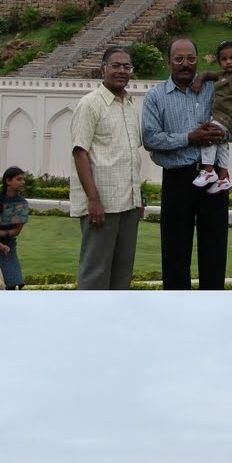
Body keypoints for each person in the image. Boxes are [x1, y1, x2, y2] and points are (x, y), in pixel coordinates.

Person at [140, 37, 231, 288]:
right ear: (169, 62)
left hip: (212, 181)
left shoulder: (213, 89)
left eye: (190, 58)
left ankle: (212, 314)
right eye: (179, 59)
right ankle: (177, 315)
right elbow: (150, 138)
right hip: (177, 179)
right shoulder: (156, 97)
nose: (185, 64)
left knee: (214, 252)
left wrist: (222, 132)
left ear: (197, 60)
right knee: (175, 253)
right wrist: (190, 138)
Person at [71, 45, 145, 289]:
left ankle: (114, 322)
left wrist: (139, 197)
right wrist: (93, 200)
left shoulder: (130, 105)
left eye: (127, 66)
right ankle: (91, 324)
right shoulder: (90, 104)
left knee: (122, 273)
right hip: (102, 205)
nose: (121, 70)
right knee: (96, 272)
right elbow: (80, 152)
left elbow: (131, 155)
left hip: (128, 204)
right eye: (116, 65)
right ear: (103, 69)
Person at [192, 39, 232, 195]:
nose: (228, 62)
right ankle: (223, 179)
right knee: (221, 144)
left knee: (209, 134)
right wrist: (199, 81)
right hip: (221, 118)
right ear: (219, 61)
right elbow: (206, 73)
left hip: (231, 118)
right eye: (224, 59)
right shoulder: (221, 75)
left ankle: (208, 170)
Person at [0, 166, 30, 287]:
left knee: (14, 282)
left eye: (23, 179)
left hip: (7, 245)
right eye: (19, 179)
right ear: (8, 181)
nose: (23, 182)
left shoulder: (22, 204)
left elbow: (17, 231)